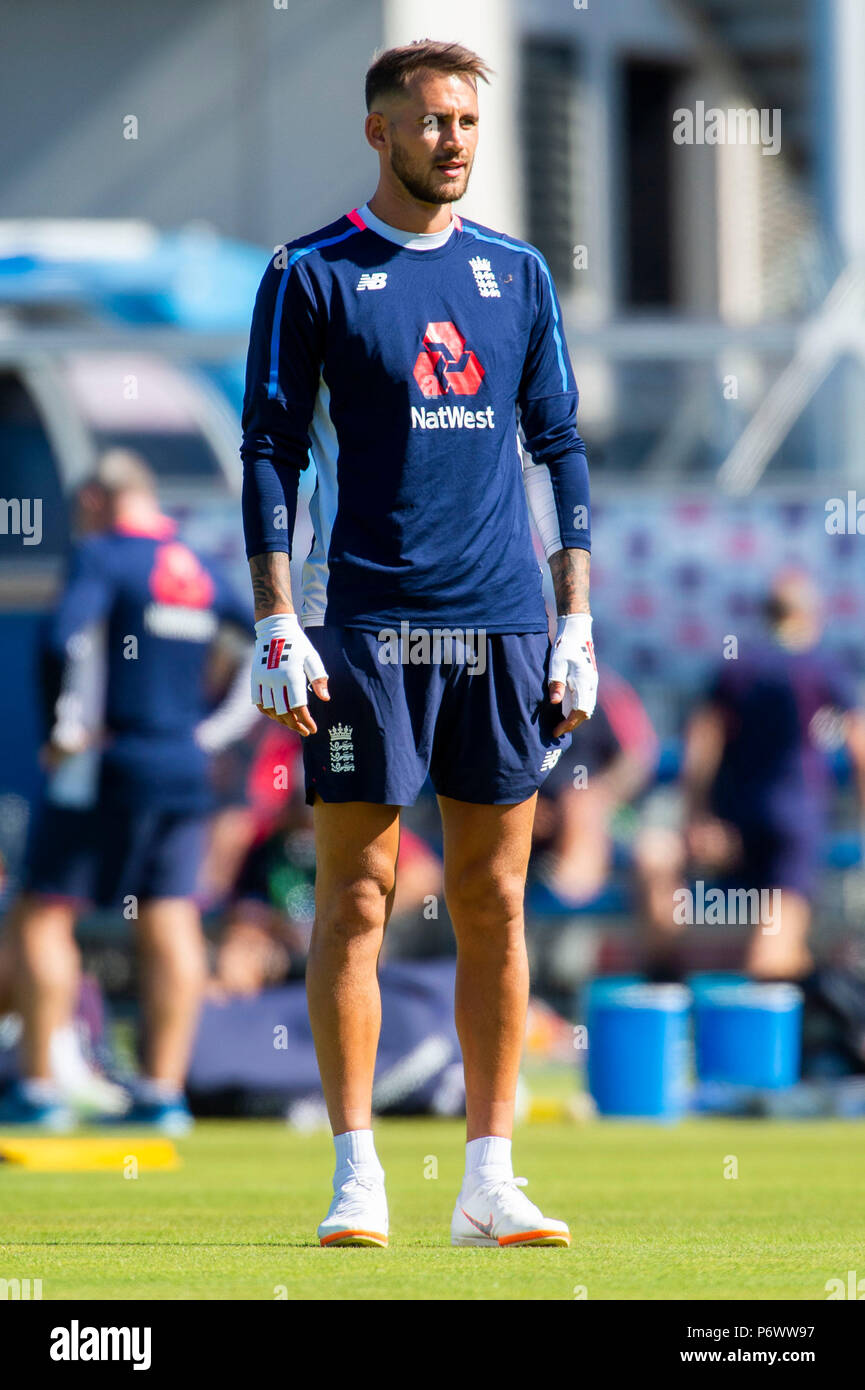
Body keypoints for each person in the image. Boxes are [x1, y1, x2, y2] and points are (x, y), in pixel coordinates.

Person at [240, 40, 597, 1248]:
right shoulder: (310, 272)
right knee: (359, 894)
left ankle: (490, 1178)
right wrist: (278, 616)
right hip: (370, 627)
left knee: (496, 899)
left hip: (504, 623)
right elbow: (269, 454)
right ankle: (357, 1176)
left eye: (468, 122)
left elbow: (559, 447)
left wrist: (577, 623)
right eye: (432, 120)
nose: (454, 140)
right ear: (378, 132)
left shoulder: (518, 272)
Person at [0, 451, 254, 1132]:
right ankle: (162, 1093)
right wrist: (213, 732)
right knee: (171, 915)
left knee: (43, 913)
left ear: (93, 499)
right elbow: (264, 643)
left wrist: (62, 728)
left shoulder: (103, 556)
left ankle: (39, 1088)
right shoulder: (194, 566)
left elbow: (59, 639)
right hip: (181, 767)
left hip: (105, 765)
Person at [635, 569, 865, 982]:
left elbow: (700, 746)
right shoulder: (821, 668)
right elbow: (860, 749)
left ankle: (665, 980)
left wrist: (696, 817)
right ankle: (829, 992)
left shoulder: (738, 666)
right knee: (771, 961)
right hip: (792, 830)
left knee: (655, 855)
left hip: (731, 831)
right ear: (811, 616)